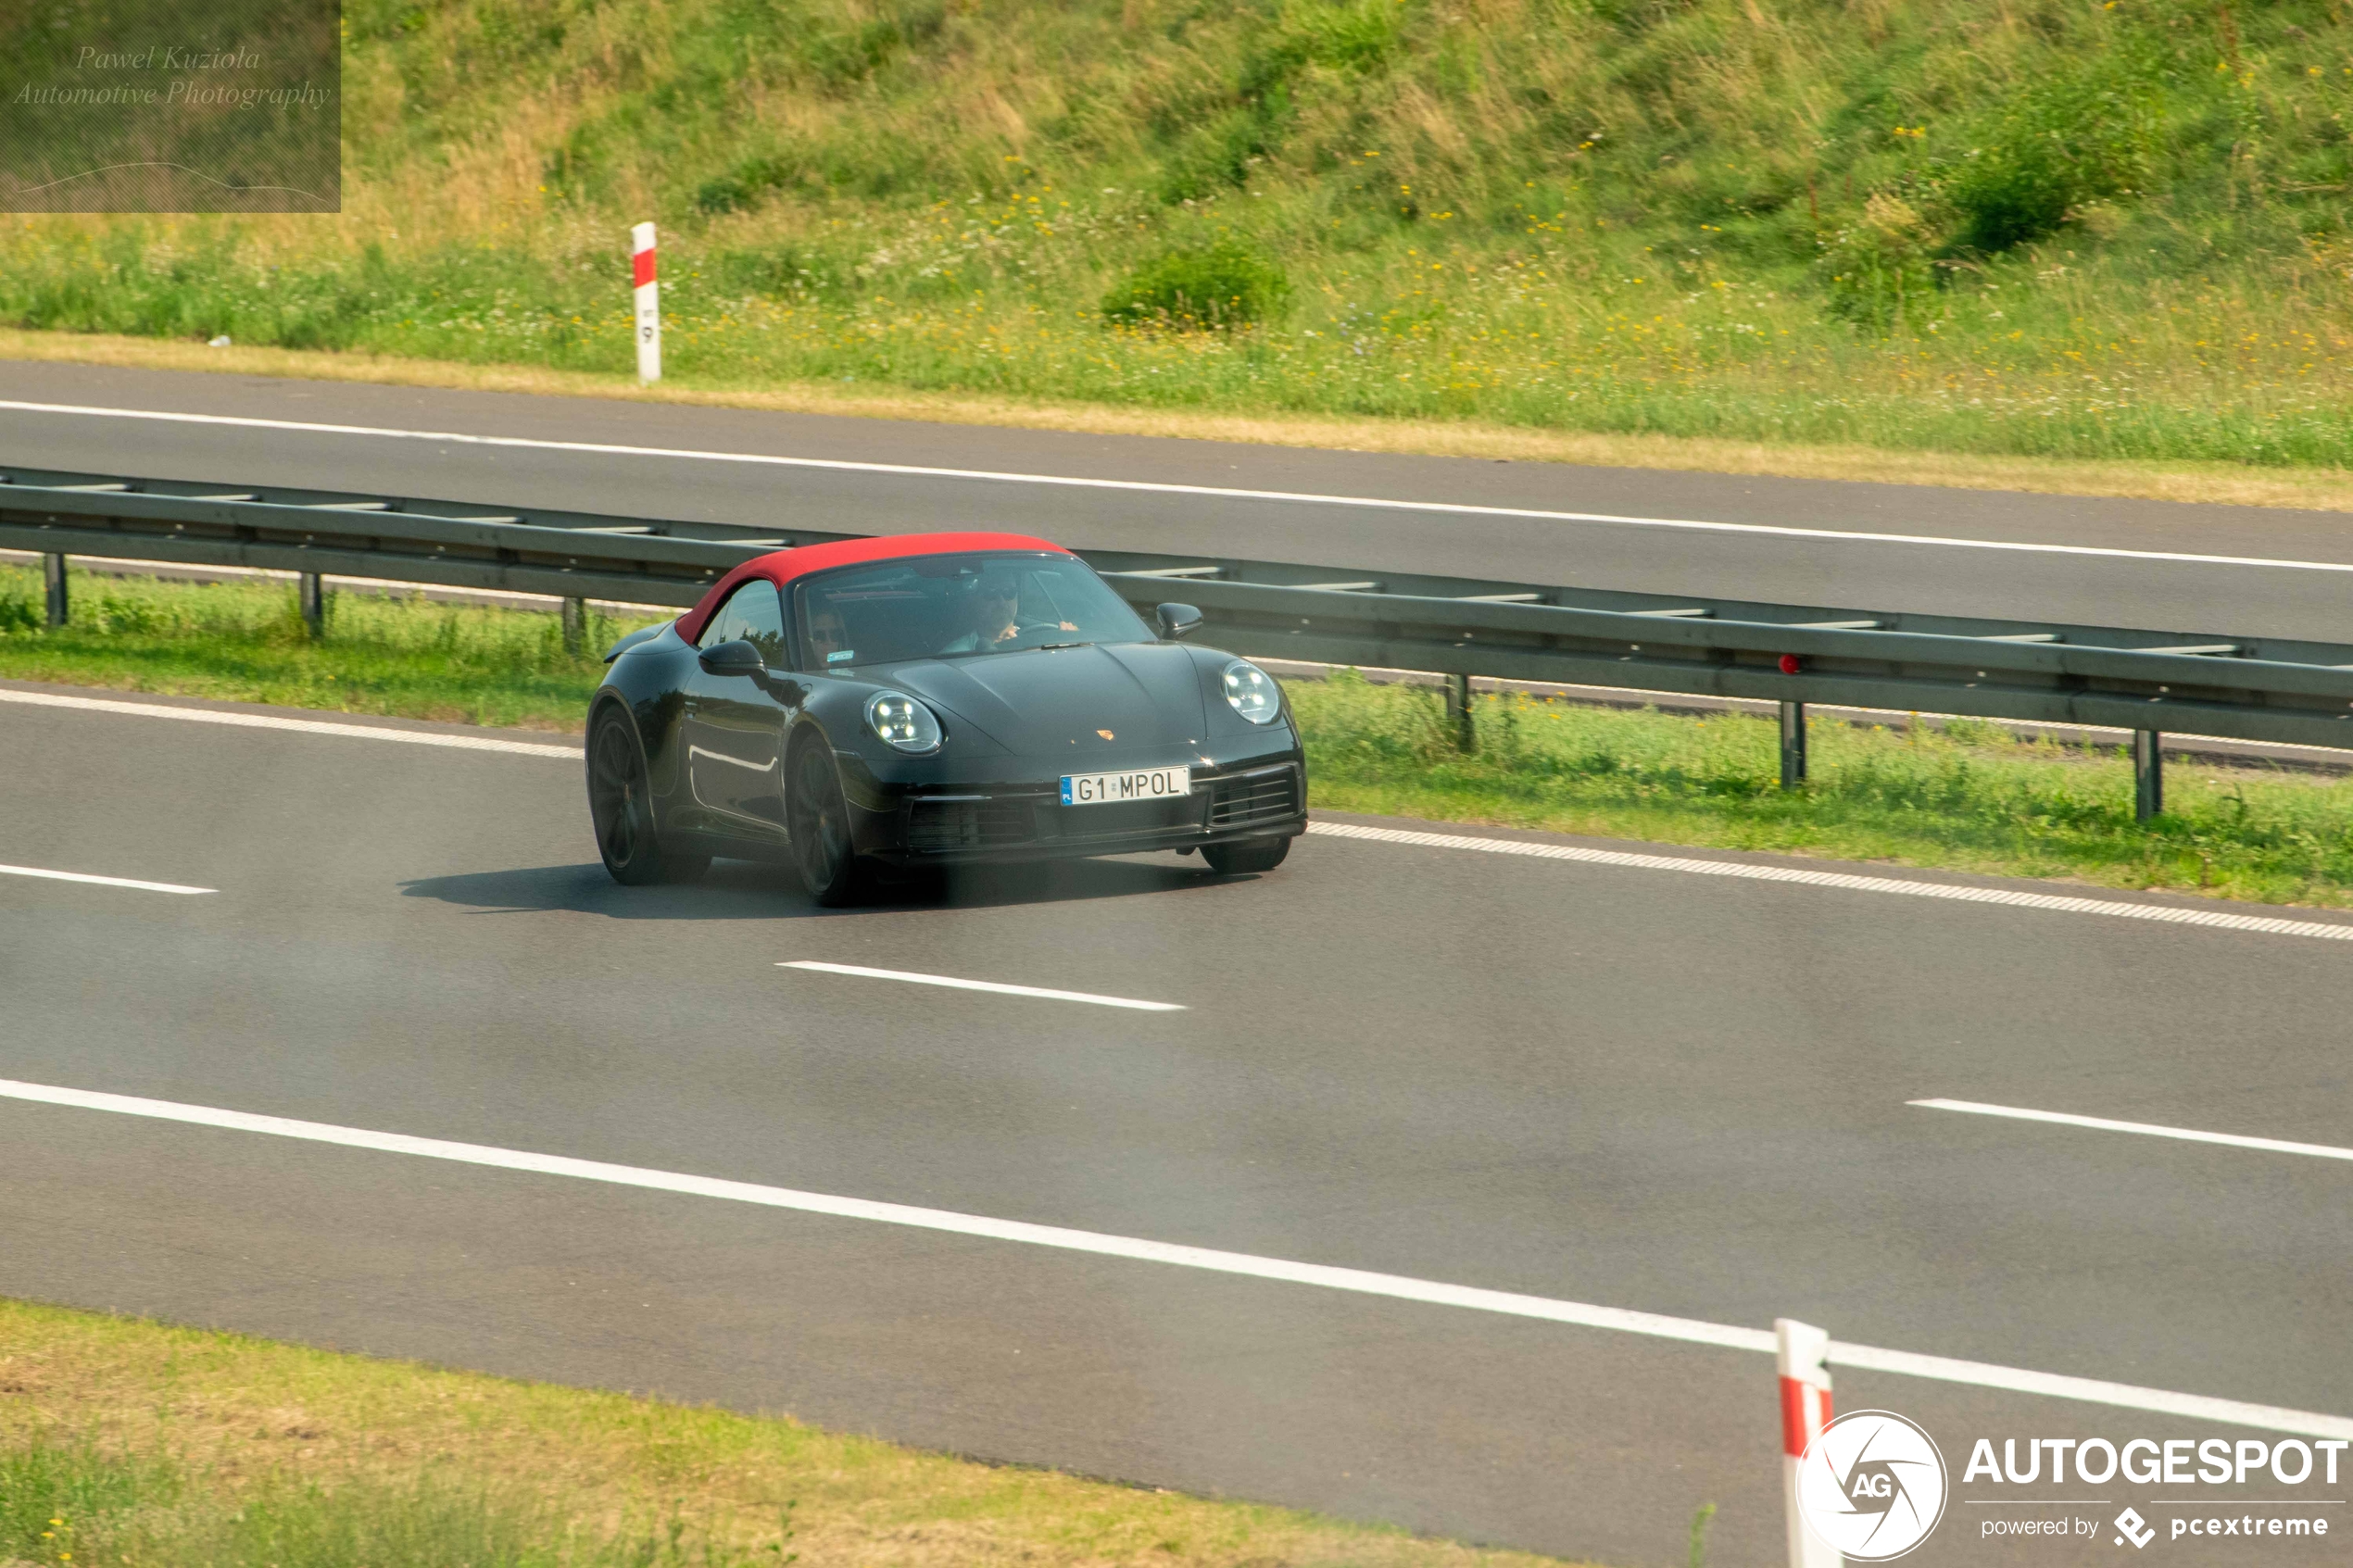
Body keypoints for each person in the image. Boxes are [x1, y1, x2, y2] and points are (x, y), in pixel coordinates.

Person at [937, 576, 1075, 654]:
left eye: (1009, 592)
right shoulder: (956, 654)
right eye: (991, 593)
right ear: (974, 601)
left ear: (1017, 597)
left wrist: (1072, 644)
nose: (1001, 601)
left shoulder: (1042, 641)